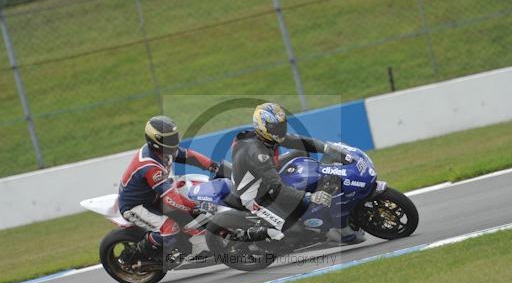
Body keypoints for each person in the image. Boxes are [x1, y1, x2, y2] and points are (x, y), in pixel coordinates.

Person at [230, 102, 365, 243]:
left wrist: (327, 148)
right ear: (263, 126)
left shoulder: (268, 137)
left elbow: (301, 141)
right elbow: (276, 189)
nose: (281, 130)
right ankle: (245, 237)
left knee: (302, 151)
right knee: (292, 233)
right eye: (276, 127)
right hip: (254, 194)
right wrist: (310, 197)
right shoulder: (257, 153)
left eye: (282, 125)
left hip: (263, 175)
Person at [118, 115, 218, 258]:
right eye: (169, 139)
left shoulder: (164, 150)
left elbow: (189, 156)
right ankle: (138, 253)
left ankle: (191, 241)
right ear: (156, 141)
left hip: (154, 196)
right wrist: (197, 207)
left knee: (193, 189)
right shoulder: (150, 166)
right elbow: (171, 199)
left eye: (174, 137)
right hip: (136, 206)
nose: (174, 142)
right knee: (170, 228)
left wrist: (214, 166)